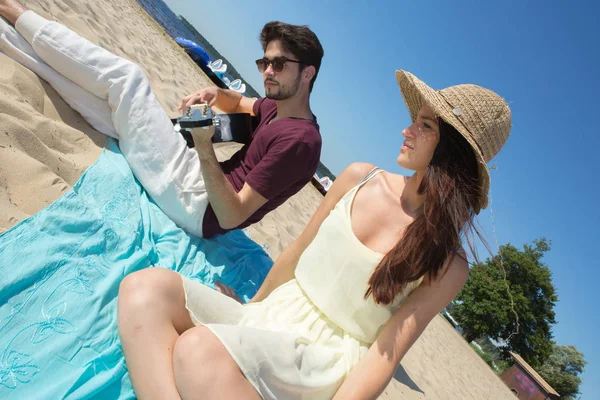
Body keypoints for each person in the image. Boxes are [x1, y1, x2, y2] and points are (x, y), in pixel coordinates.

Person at [115, 60, 513, 400]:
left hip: (323, 361)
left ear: (451, 152)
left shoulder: (448, 262)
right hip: (275, 317)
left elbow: (386, 354)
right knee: (145, 289)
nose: (406, 131)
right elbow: (297, 252)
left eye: (424, 125)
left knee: (196, 352)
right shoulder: (361, 176)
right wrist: (251, 310)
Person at [0, 0, 324, 238]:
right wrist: (214, 92)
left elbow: (231, 215)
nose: (268, 72)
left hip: (200, 205)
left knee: (128, 79)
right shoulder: (278, 108)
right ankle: (6, 35)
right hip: (196, 183)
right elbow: (239, 100)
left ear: (307, 73)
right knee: (111, 108)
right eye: (264, 62)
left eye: (279, 64)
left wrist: (204, 146)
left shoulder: (300, 142)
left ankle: (12, 10)